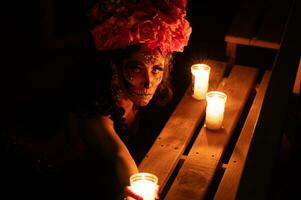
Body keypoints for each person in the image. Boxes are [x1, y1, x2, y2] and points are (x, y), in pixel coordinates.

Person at [2, 0, 191, 199]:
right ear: (115, 66)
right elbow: (115, 153)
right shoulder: (93, 107)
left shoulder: (143, 93)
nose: (148, 82)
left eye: (157, 69)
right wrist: (136, 192)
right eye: (136, 68)